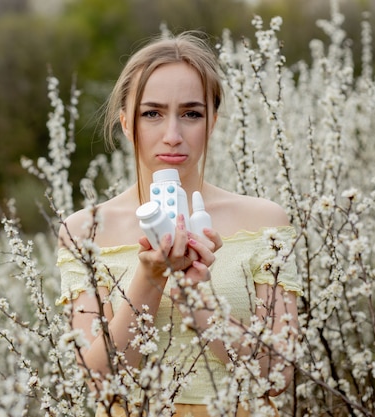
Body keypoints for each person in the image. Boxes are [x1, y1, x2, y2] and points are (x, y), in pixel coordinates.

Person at [56, 31, 302, 417]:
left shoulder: (265, 222)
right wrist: (151, 278)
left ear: (213, 122)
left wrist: (199, 298)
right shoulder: (84, 232)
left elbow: (278, 375)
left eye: (191, 113)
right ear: (125, 122)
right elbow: (99, 381)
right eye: (151, 113)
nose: (172, 136)